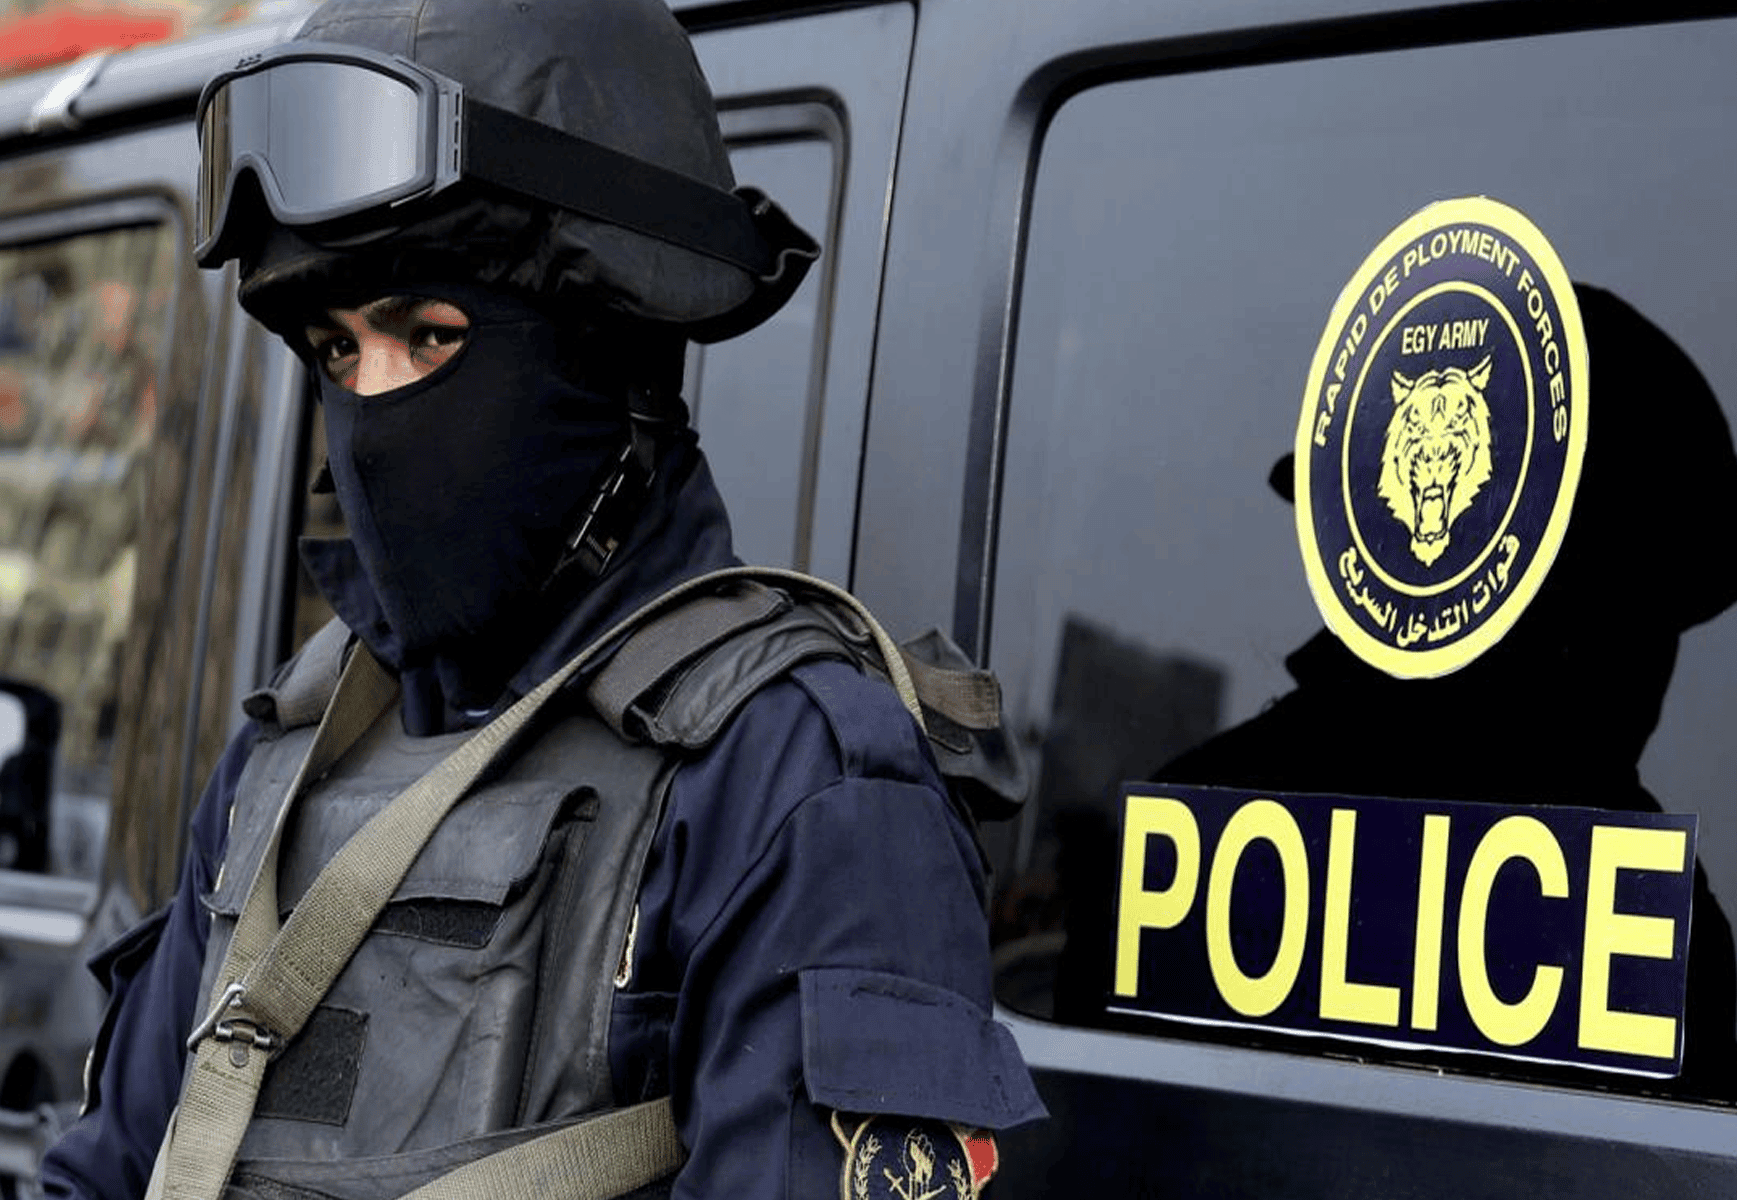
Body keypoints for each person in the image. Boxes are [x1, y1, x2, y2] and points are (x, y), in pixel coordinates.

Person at [39, 2, 1043, 1198]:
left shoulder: (795, 778)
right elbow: (112, 1168)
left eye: (430, 335)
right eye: (337, 350)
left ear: (608, 349)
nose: (373, 408)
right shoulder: (292, 754)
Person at [1154, 284, 1737, 1105]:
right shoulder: (1626, 916)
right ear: (1583, 617)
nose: (1654, 676)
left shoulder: (1179, 838)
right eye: (1654, 613)